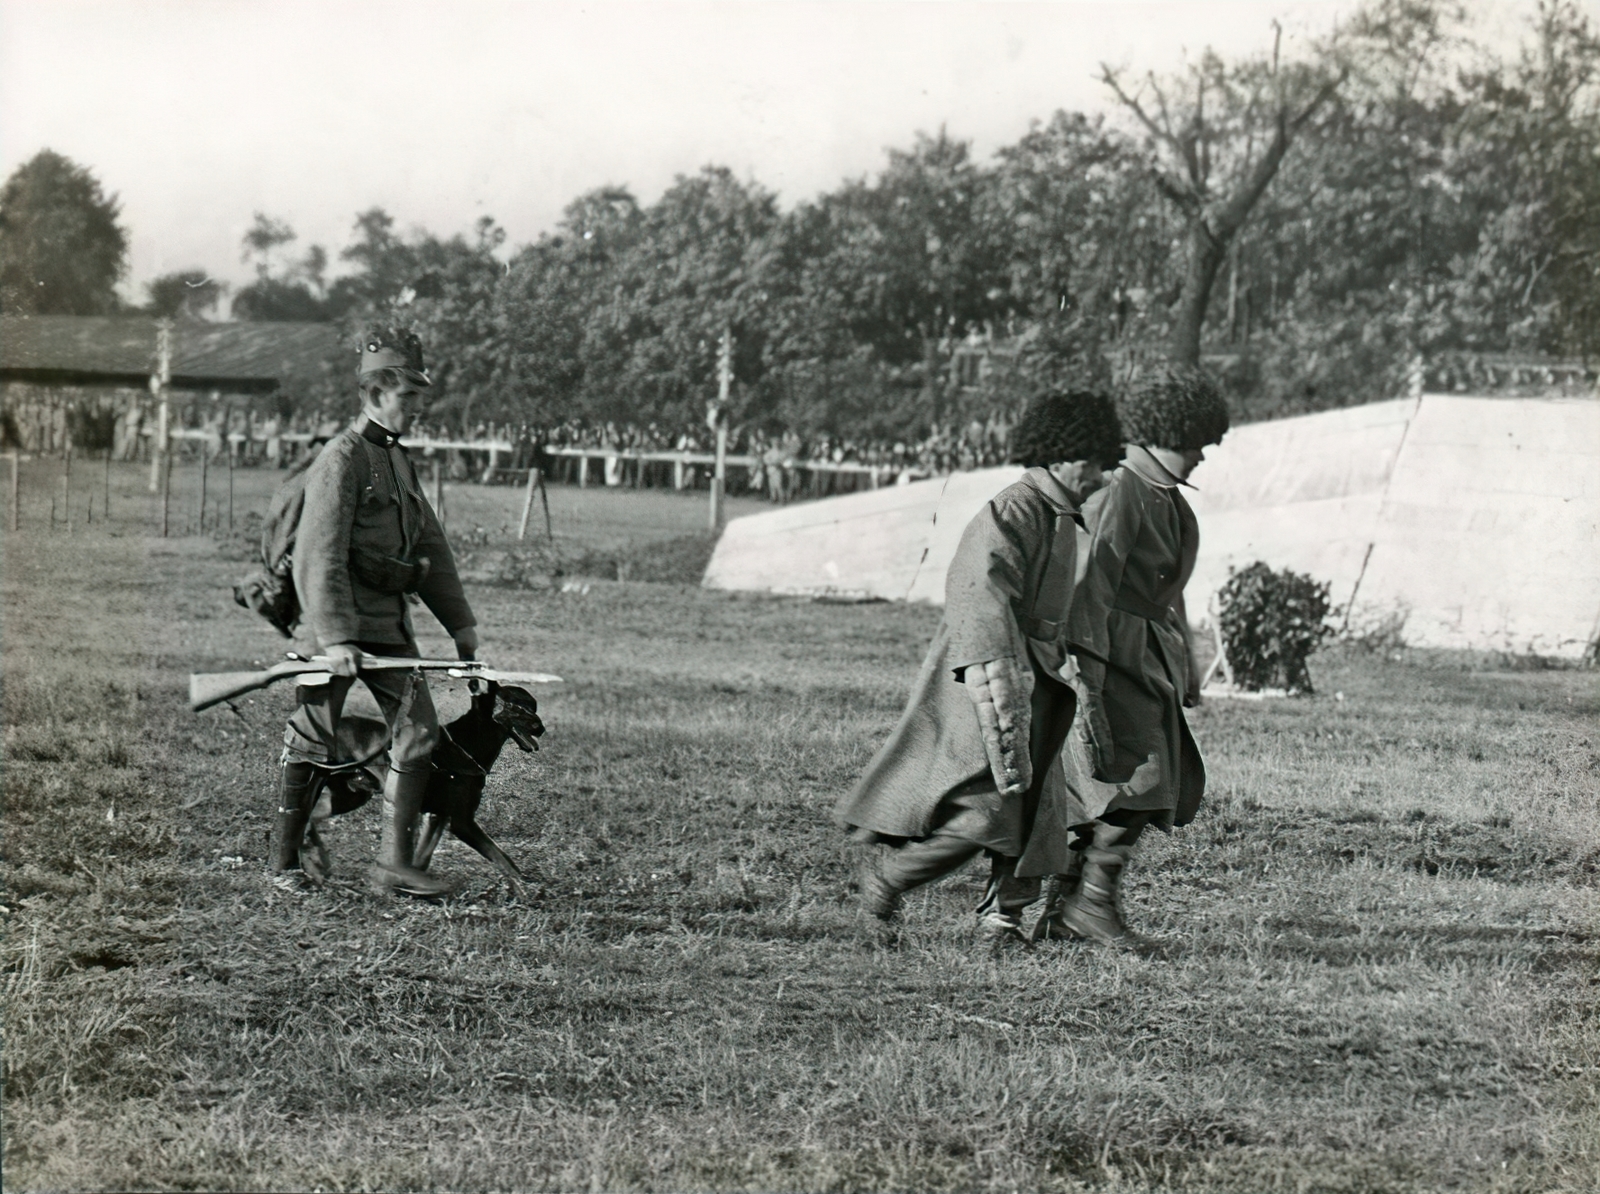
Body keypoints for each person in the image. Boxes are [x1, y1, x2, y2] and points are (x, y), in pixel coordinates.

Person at [834, 391, 1125, 945]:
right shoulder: (1015, 509)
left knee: (1040, 815)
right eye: (1093, 461)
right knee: (984, 811)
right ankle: (888, 878)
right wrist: (1000, 675)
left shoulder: (1063, 516)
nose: (1102, 475)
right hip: (987, 678)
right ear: (1061, 455)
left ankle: (1001, 923)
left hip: (1042, 683)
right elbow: (978, 592)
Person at [273, 326, 479, 897]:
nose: (418, 406)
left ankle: (395, 868)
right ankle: (284, 866)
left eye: (418, 395)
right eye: (407, 395)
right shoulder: (341, 458)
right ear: (376, 392)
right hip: (332, 627)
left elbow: (431, 546)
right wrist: (336, 637)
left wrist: (461, 624)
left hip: (388, 627)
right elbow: (318, 554)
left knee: (419, 734)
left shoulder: (398, 460)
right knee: (313, 735)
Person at [1032, 365, 1229, 948]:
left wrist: (1187, 662)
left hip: (1148, 655)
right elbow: (1090, 584)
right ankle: (1088, 906)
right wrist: (1086, 675)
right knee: (1136, 783)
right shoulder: (1121, 489)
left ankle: (1068, 909)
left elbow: (1171, 591)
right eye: (1193, 443)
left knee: (1140, 784)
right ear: (1162, 433)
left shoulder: (1166, 496)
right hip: (1112, 656)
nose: (1201, 455)